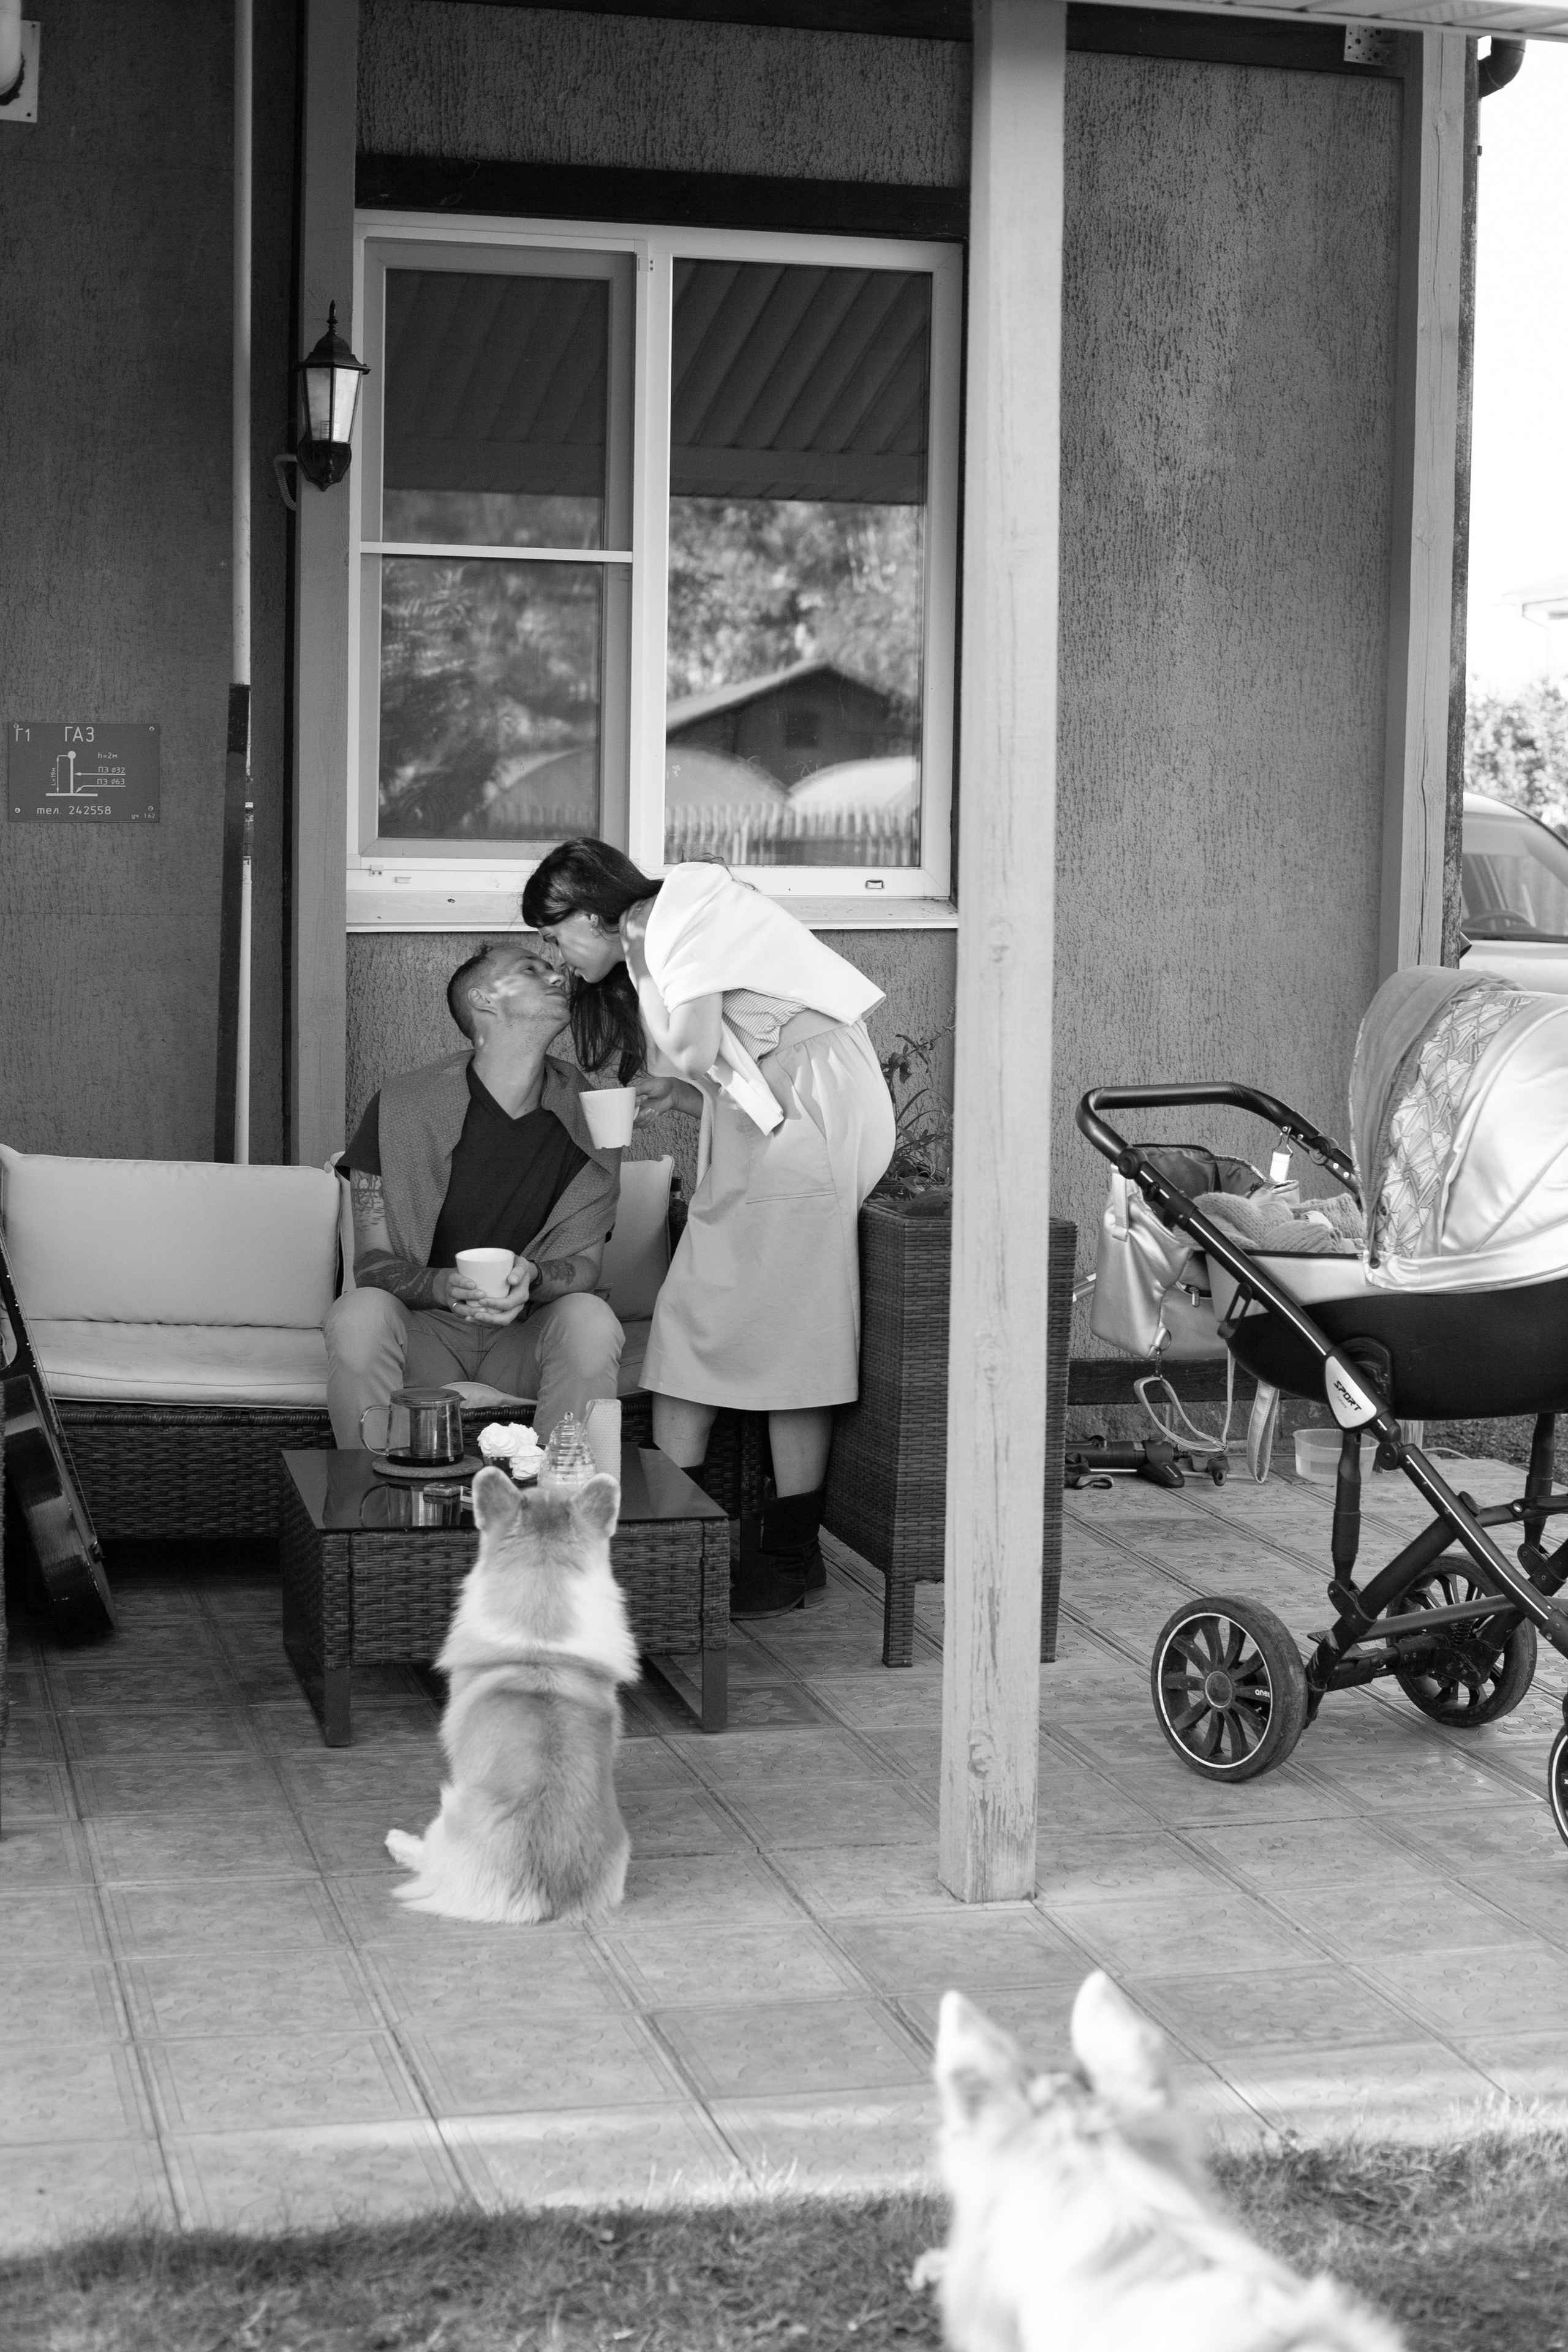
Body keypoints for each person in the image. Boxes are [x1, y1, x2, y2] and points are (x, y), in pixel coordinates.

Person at [522, 845, 895, 1615]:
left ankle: (778, 1553)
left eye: (554, 936)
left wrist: (639, 962)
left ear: (590, 913)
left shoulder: (673, 917)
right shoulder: (665, 927)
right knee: (700, 1319)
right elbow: (734, 1067)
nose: (555, 957)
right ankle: (682, 1542)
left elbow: (692, 1048)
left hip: (813, 1115)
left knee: (788, 1328)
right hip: (780, 1115)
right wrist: (680, 1096)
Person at [325, 943, 624, 1450]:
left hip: (526, 1338)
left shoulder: (590, 1117)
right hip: (425, 1337)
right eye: (530, 969)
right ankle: (372, 1489)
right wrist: (442, 1286)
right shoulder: (399, 1106)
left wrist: (534, 1278)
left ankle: (562, 1490)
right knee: (357, 1315)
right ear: (483, 999)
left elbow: (586, 1267)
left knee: (591, 1320)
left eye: (554, 968)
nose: (557, 977)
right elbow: (371, 1264)